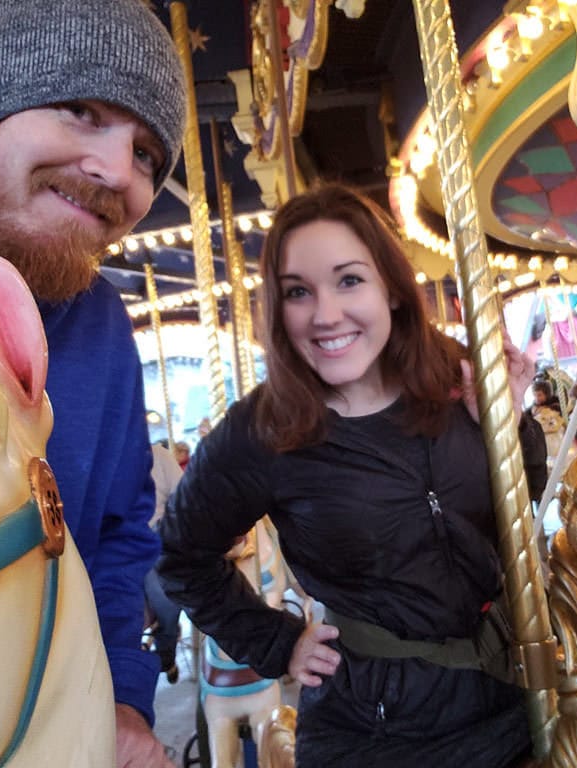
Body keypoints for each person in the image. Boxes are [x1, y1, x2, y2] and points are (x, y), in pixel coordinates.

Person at [158, 184, 539, 766]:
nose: (326, 314)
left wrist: (514, 424)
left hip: (508, 699)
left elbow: (528, 497)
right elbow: (182, 556)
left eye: (349, 280)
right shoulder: (264, 429)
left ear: (390, 286)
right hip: (375, 731)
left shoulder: (455, 376)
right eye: (298, 292)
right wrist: (277, 643)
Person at [0, 1, 186, 764]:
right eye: (81, 110)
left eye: (147, 154)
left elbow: (114, 534)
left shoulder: (101, 323)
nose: (118, 173)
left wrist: (121, 698)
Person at [145, 442, 186, 682]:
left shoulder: (158, 456)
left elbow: (183, 494)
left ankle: (166, 650)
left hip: (153, 538)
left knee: (165, 599)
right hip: (116, 541)